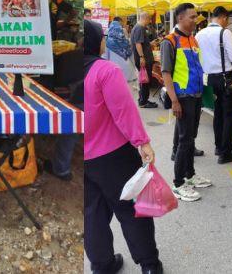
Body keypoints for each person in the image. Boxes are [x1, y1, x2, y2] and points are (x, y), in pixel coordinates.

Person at [84, 20, 162, 274]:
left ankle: (102, 264)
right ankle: (150, 265)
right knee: (130, 210)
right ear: (97, 41)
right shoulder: (105, 70)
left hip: (82, 159)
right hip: (113, 156)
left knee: (92, 214)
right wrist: (142, 142)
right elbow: (123, 111)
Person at [161, 2, 210, 202]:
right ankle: (178, 183)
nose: (195, 19)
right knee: (184, 140)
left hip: (196, 96)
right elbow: (166, 73)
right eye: (192, 16)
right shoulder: (169, 41)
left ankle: (190, 174)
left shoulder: (193, 39)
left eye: (196, 16)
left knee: (191, 138)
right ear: (180, 18)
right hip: (182, 97)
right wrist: (174, 101)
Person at [195, 6, 232, 164]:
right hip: (226, 79)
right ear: (223, 18)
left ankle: (218, 146)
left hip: (209, 79)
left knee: (217, 113)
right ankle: (225, 152)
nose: (227, 24)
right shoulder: (224, 32)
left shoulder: (199, 34)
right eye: (227, 20)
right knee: (229, 115)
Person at [102, 20, 139, 98]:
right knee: (128, 95)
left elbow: (105, 59)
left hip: (114, 72)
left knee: (116, 96)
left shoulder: (107, 43)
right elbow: (132, 58)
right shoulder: (126, 42)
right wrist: (136, 69)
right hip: (128, 72)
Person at [131, 12, 157, 109]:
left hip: (143, 58)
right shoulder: (140, 28)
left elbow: (141, 44)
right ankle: (143, 102)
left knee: (144, 80)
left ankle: (143, 99)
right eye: (149, 19)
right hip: (143, 59)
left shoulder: (138, 28)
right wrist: (142, 57)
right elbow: (138, 44)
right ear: (145, 18)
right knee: (145, 80)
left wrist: (150, 44)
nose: (150, 21)